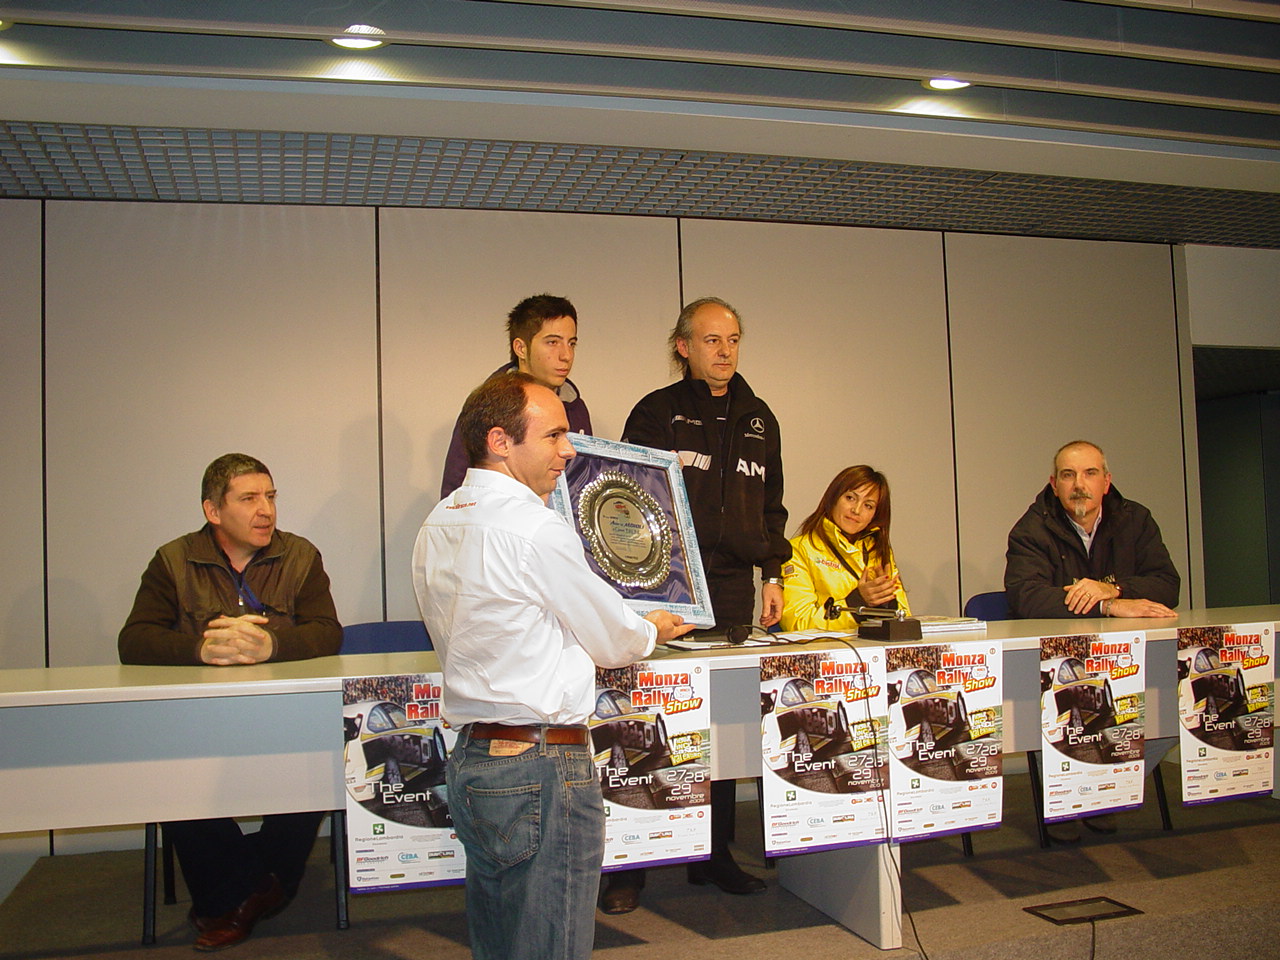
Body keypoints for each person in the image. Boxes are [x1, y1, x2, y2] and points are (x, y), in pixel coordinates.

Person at [413, 372, 693, 960]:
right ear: (500, 441)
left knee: (500, 941)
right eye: (553, 435)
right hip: (541, 766)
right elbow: (614, 640)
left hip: (475, 760)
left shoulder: (437, 522)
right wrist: (653, 629)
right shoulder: (535, 528)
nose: (568, 450)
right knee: (552, 945)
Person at [119, 453, 341, 952]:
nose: (266, 510)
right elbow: (133, 640)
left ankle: (228, 899)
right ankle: (255, 891)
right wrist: (200, 648)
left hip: (284, 719)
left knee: (317, 774)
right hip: (196, 724)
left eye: (271, 497)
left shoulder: (300, 556)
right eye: (249, 499)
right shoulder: (173, 560)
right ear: (213, 510)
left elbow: (328, 632)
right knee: (173, 783)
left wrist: (272, 646)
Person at [610, 296, 789, 911]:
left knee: (722, 724)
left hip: (735, 585)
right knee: (646, 718)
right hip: (667, 585)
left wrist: (773, 573)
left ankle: (713, 855)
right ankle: (629, 865)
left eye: (733, 339)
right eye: (712, 340)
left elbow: (772, 508)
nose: (725, 351)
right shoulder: (656, 412)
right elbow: (627, 501)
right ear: (683, 347)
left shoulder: (760, 417)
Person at [1005, 440, 1180, 619]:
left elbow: (1167, 585)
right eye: (1068, 475)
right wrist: (1107, 606)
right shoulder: (1030, 530)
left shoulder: (1136, 520)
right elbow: (1026, 598)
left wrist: (1114, 589)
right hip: (1059, 634)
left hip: (1125, 634)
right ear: (1055, 485)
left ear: (1106, 482)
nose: (1079, 485)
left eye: (1090, 473)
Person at [440, 293, 591, 498]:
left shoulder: (577, 408)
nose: (566, 355)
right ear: (520, 348)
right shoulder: (488, 407)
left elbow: (584, 485)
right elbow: (457, 487)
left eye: (571, 343)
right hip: (500, 516)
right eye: (552, 342)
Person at [781, 464, 909, 631]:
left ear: (875, 515)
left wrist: (887, 605)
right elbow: (798, 625)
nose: (856, 510)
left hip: (871, 646)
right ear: (833, 498)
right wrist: (857, 603)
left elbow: (905, 620)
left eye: (868, 505)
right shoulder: (798, 550)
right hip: (826, 647)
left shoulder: (879, 551)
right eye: (850, 498)